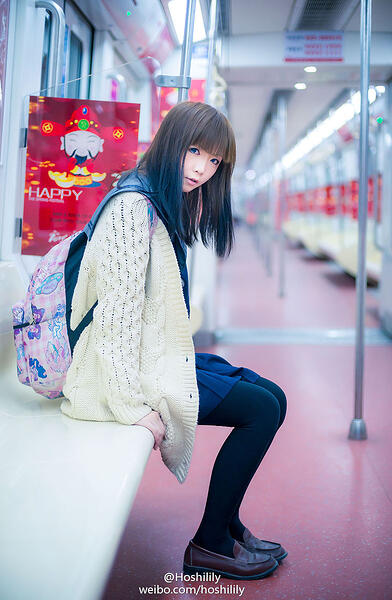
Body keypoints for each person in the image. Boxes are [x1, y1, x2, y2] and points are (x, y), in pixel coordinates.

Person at [61, 101, 287, 581]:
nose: (202, 169)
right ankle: (211, 544)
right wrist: (129, 405)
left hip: (154, 352)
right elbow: (117, 320)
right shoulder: (131, 209)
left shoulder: (155, 200)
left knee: (273, 396)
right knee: (262, 410)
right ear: (171, 143)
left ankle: (226, 525)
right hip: (115, 371)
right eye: (194, 151)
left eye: (214, 160)